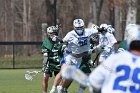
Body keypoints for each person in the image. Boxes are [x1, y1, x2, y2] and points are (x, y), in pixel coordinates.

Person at [88, 24, 140, 93]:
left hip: (109, 54)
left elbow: (93, 81)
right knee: (102, 63)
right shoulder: (101, 36)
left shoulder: (115, 58)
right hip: (104, 53)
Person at [56, 18, 99, 93]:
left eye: (81, 27)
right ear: (74, 27)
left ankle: (62, 88)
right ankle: (60, 88)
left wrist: (103, 29)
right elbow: (62, 41)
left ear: (83, 26)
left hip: (79, 58)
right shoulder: (70, 34)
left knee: (71, 76)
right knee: (67, 73)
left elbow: (98, 30)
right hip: (70, 56)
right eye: (77, 28)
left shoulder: (88, 31)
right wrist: (56, 39)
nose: (79, 29)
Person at [41, 25, 65, 93]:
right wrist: (44, 64)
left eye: (54, 33)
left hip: (58, 63)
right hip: (50, 62)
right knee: (45, 78)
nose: (53, 35)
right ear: (48, 34)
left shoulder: (60, 41)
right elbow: (45, 55)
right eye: (51, 33)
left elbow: (64, 50)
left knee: (60, 80)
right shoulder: (46, 42)